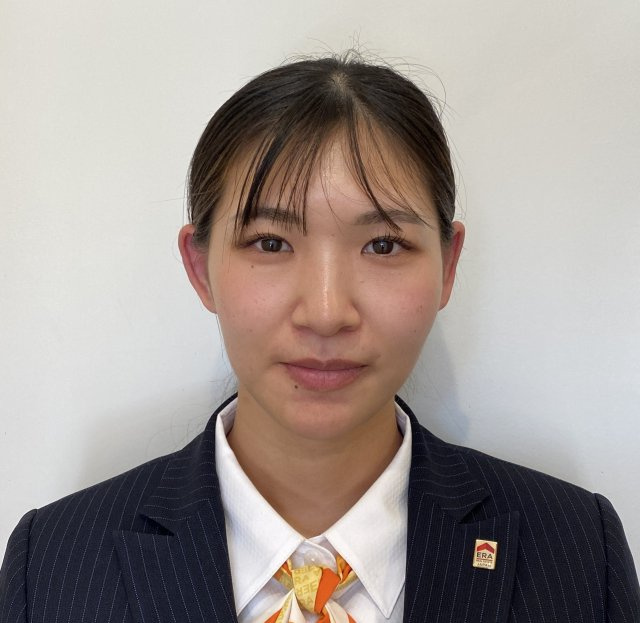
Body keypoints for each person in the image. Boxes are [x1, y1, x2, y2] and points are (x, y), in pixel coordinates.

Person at [1, 53, 638, 623]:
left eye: (383, 244)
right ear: (200, 268)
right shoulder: (53, 566)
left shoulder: (578, 554)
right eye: (269, 243)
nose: (327, 313)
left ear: (448, 265)